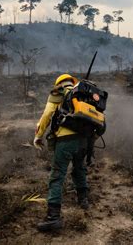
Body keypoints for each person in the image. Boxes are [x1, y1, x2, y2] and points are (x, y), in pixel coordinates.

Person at [33, 74, 90, 231]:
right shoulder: (83, 94)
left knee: (57, 176)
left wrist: (38, 136)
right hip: (84, 140)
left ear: (59, 83)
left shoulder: (59, 93)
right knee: (79, 169)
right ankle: (83, 200)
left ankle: (53, 217)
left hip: (65, 141)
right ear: (72, 82)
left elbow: (46, 115)